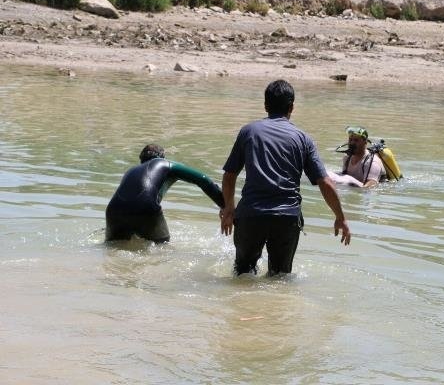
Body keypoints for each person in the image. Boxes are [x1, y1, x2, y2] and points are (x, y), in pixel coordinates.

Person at [220, 79, 351, 276]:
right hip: (286, 218)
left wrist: (229, 208)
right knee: (280, 279)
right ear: (292, 107)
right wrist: (340, 217)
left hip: (251, 215)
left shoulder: (248, 132)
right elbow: (325, 182)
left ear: (265, 105)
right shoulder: (302, 138)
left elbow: (229, 176)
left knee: (242, 275)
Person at [105, 144, 224, 243]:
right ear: (162, 157)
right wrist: (225, 205)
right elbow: (203, 179)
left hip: (113, 211)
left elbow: (130, 201)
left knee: (114, 248)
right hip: (146, 208)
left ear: (141, 160)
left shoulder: (130, 171)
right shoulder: (166, 164)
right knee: (161, 248)